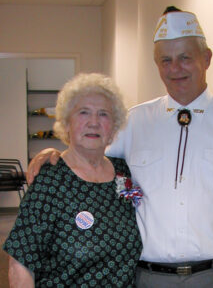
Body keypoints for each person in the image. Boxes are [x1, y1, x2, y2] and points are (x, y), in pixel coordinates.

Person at [26, 7, 213, 288]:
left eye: (185, 58)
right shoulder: (132, 123)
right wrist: (55, 154)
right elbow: (90, 162)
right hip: (147, 277)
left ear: (207, 58)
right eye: (166, 60)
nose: (175, 69)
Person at [3, 73, 143, 287]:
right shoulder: (49, 180)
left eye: (103, 114)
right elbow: (20, 263)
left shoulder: (123, 172)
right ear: (67, 123)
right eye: (83, 112)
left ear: (114, 127)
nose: (94, 122)